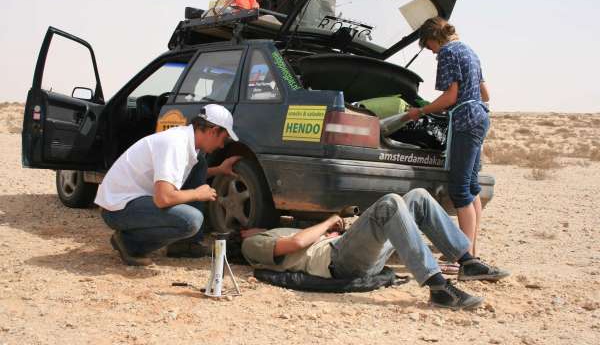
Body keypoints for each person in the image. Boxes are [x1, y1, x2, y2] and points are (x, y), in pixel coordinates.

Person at [241, 189, 509, 310]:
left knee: (418, 197)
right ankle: (438, 287)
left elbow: (304, 242)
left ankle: (467, 261)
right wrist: (329, 221)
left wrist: (331, 233)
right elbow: (298, 244)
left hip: (342, 250)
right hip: (337, 261)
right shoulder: (251, 243)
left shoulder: (276, 230)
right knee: (389, 203)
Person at [95, 104, 241, 266]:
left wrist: (219, 170)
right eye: (223, 138)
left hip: (129, 201)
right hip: (116, 209)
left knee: (199, 165)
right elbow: (163, 198)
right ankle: (129, 243)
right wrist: (197, 194)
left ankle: (185, 245)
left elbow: (180, 175)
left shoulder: (186, 141)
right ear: (213, 131)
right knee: (191, 220)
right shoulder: (175, 144)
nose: (222, 145)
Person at [405, 17, 490, 257]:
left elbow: (450, 97)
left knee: (460, 190)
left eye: (428, 46)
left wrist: (421, 111)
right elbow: (485, 94)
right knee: (471, 187)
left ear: (433, 39)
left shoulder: (447, 52)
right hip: (480, 118)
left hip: (465, 121)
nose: (432, 52)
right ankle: (471, 253)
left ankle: (463, 257)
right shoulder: (469, 51)